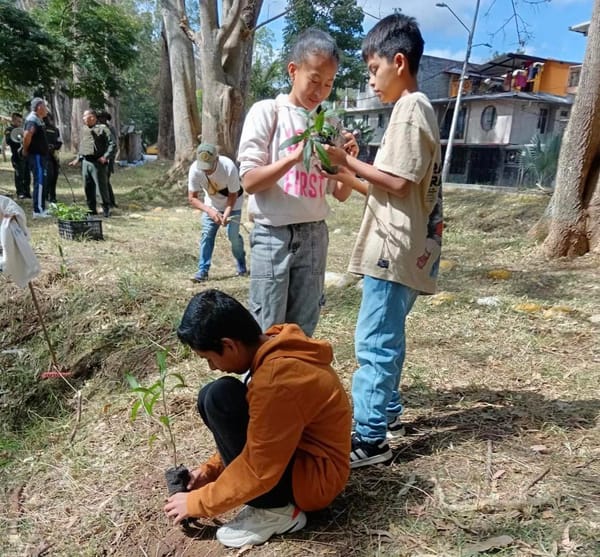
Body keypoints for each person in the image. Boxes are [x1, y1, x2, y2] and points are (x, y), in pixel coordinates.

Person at [321, 13, 443, 468]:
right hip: (404, 246)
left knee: (374, 342)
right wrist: (345, 170)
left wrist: (344, 161)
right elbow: (387, 187)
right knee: (387, 334)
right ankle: (387, 415)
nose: (371, 81)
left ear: (398, 61)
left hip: (394, 250)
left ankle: (370, 439)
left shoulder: (412, 108)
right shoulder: (410, 111)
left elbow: (393, 181)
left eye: (374, 70)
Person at [164, 289, 351, 548]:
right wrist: (210, 472)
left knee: (220, 397)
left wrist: (198, 502)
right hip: (299, 459)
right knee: (214, 394)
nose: (212, 367)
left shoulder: (277, 379)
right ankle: (273, 504)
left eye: (209, 358)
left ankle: (275, 511)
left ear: (229, 344)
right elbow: (264, 432)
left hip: (313, 481)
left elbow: (259, 465)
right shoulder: (273, 346)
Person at [237, 28, 358, 337]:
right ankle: (263, 385)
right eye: (315, 80)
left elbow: (341, 193)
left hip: (315, 235)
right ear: (294, 70)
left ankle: (295, 385)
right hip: (272, 236)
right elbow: (250, 181)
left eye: (329, 83)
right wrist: (294, 157)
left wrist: (348, 163)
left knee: (303, 330)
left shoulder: (329, 123)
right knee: (267, 327)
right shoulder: (267, 112)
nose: (320, 91)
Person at [188, 143, 247, 282]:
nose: (206, 171)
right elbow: (192, 198)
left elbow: (233, 194)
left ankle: (241, 261)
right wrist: (210, 211)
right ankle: (203, 270)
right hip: (212, 204)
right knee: (207, 234)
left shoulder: (228, 167)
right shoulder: (195, 170)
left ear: (217, 159)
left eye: (209, 167)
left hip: (234, 204)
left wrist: (226, 214)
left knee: (233, 236)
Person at [68, 109, 116, 217]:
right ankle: (91, 209)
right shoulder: (84, 130)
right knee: (88, 186)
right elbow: (83, 146)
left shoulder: (103, 129)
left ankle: (106, 208)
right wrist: (78, 159)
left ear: (92, 117)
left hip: (97, 162)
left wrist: (106, 157)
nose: (83, 118)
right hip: (86, 162)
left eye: (85, 116)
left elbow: (113, 144)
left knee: (101, 186)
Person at [22, 98, 50, 217]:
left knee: (42, 181)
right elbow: (27, 135)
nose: (47, 110)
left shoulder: (39, 120)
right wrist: (25, 149)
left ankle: (41, 207)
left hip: (42, 155)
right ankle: (37, 210)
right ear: (39, 107)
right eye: (45, 106)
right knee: (39, 181)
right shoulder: (32, 119)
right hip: (36, 155)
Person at [3, 112, 31, 200]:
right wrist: (18, 140)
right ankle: (20, 192)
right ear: (13, 120)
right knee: (19, 175)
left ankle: (27, 192)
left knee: (27, 175)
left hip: (25, 155)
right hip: (17, 156)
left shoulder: (21, 129)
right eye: (18, 121)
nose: (20, 123)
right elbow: (8, 141)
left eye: (21, 121)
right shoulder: (9, 129)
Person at [96, 111, 118, 208]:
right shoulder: (96, 128)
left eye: (104, 118)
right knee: (102, 181)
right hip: (98, 157)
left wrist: (109, 157)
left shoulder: (110, 129)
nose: (102, 120)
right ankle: (108, 201)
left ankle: (110, 202)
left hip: (107, 158)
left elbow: (113, 145)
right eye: (100, 118)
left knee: (105, 180)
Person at [44, 113, 62, 204]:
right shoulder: (40, 129)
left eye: (49, 118)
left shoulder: (55, 129)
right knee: (48, 176)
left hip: (54, 156)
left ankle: (53, 196)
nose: (47, 120)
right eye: (45, 118)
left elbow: (59, 143)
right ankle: (45, 195)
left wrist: (54, 147)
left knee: (55, 176)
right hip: (45, 156)